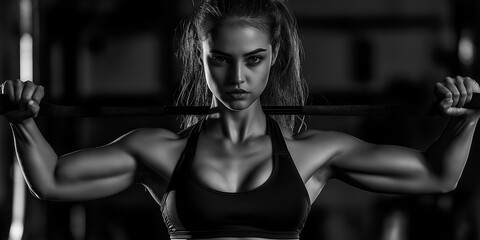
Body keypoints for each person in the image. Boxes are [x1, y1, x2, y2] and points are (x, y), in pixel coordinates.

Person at [1, 0, 480, 239]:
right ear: (201, 57)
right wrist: (22, 121)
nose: (237, 77)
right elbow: (53, 180)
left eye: (253, 59)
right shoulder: (160, 152)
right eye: (220, 60)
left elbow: (437, 175)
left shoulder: (311, 152)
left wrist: (464, 120)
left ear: (274, 58)